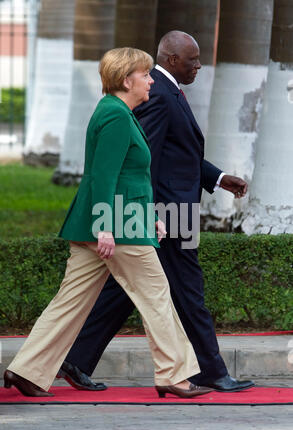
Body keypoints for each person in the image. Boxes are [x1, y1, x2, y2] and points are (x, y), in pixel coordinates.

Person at [3, 47, 213, 399]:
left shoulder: (116, 111)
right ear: (127, 79)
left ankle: (26, 369)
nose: (150, 81)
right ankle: (174, 375)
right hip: (118, 226)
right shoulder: (116, 116)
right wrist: (106, 227)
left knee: (70, 301)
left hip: (112, 221)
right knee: (157, 296)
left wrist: (151, 218)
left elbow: (130, 177)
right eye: (145, 75)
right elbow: (104, 176)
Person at [56, 31, 254, 393]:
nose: (198, 65)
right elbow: (141, 160)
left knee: (125, 289)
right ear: (172, 59)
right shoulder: (159, 95)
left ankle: (77, 359)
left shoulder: (168, 90)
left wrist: (220, 177)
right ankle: (211, 370)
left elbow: (180, 152)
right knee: (188, 290)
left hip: (167, 212)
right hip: (167, 214)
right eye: (192, 59)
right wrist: (151, 214)